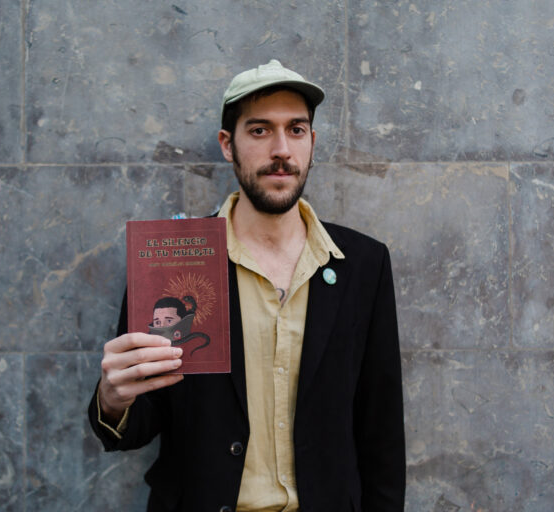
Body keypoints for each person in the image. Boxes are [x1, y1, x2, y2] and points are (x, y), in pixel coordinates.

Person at [89, 59, 406, 511]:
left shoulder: (362, 264)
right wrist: (113, 399)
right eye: (259, 130)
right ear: (227, 144)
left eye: (296, 129)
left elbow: (382, 434)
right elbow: (138, 422)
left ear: (312, 142)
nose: (281, 149)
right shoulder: (173, 261)